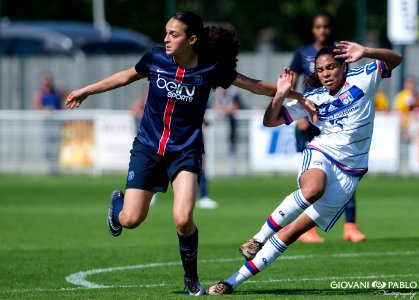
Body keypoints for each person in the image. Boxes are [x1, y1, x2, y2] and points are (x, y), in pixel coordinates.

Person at [65, 11, 314, 296]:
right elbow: (125, 76)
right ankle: (118, 203)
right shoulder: (155, 59)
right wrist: (86, 90)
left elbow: (254, 85)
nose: (166, 39)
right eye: (166, 33)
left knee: (183, 219)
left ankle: (191, 279)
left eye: (174, 34)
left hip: (186, 151)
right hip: (148, 148)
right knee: (131, 220)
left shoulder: (211, 68)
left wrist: (292, 94)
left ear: (191, 39)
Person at [208, 41, 402, 295]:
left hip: (350, 174)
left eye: (331, 67)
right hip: (322, 153)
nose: (326, 74)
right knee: (312, 189)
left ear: (344, 66)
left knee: (291, 233)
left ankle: (232, 282)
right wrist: (280, 94)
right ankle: (257, 239)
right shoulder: (313, 97)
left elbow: (396, 58)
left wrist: (366, 52)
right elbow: (270, 121)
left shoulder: (364, 77)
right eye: (321, 70)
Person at [289, 9, 365, 243]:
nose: (322, 31)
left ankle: (350, 226)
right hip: (309, 119)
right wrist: (299, 114)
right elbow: (290, 84)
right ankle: (306, 228)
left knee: (345, 172)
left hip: (335, 118)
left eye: (326, 27)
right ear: (313, 30)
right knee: (313, 176)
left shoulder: (340, 53)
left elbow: (350, 83)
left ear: (331, 29)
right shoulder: (302, 53)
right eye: (318, 27)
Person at [33, 71, 67, 174]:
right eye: (45, 79)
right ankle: (51, 167)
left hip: (57, 123)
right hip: (46, 123)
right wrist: (46, 110)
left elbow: (70, 96)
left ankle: (55, 168)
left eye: (48, 79)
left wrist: (64, 110)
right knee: (47, 148)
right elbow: (37, 107)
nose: (47, 81)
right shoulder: (39, 94)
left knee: (56, 147)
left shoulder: (57, 92)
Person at [211, 86, 242, 175]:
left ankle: (233, 168)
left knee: (233, 145)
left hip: (233, 127)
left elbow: (234, 107)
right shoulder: (217, 95)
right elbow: (214, 106)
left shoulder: (234, 94)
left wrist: (222, 109)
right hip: (221, 128)